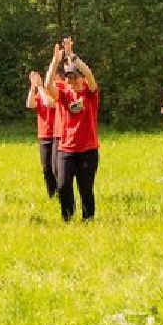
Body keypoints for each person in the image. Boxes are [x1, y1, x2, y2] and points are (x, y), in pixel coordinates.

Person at [44, 38, 100, 222]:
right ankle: (67, 217)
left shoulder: (90, 94)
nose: (71, 80)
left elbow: (90, 74)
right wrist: (55, 61)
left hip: (88, 150)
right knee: (63, 185)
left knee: (85, 188)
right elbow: (47, 85)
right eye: (68, 77)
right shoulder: (64, 94)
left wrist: (71, 56)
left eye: (75, 76)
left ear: (81, 79)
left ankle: (88, 219)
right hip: (66, 149)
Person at [25, 70, 59, 197]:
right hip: (44, 136)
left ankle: (61, 193)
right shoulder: (42, 92)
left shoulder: (58, 95)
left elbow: (49, 103)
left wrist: (40, 87)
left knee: (56, 168)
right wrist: (33, 86)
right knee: (46, 169)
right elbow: (30, 104)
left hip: (57, 135)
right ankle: (51, 195)